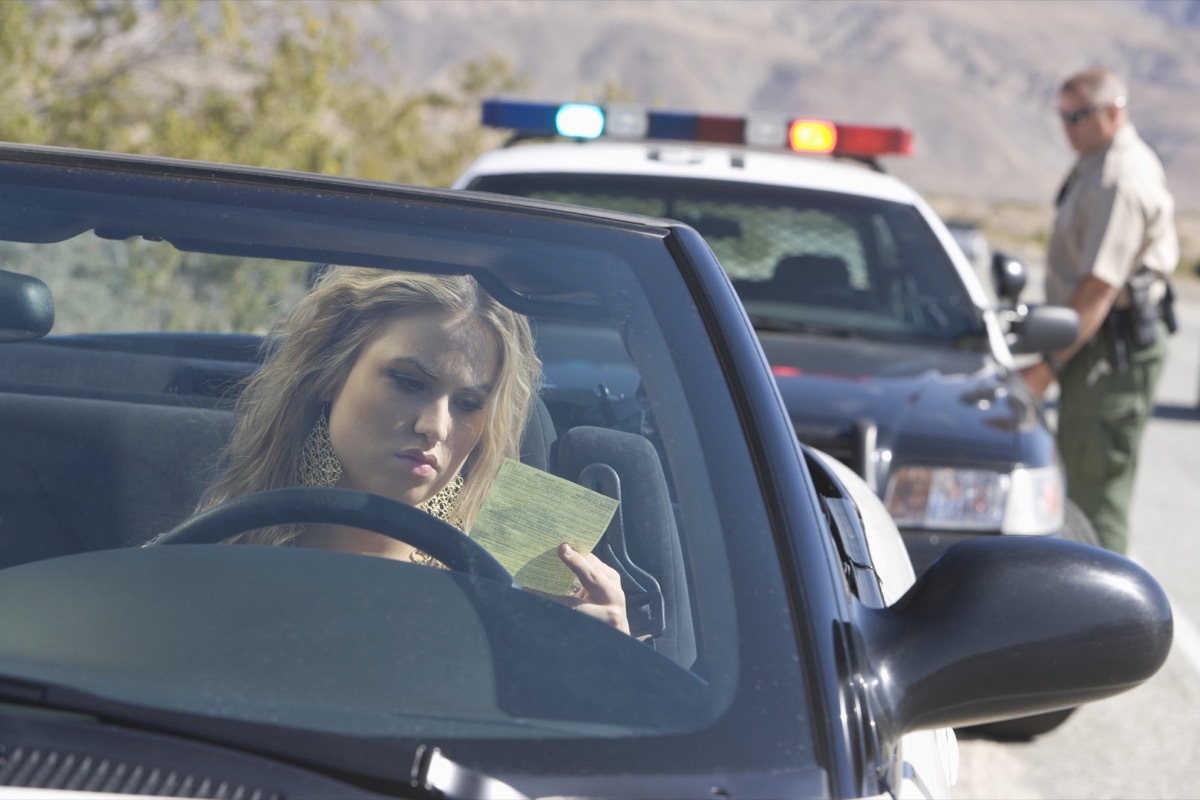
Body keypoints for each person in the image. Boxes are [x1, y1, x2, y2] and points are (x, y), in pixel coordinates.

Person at [197, 266, 630, 633]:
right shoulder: (210, 550)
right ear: (330, 373)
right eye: (409, 382)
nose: (435, 427)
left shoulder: (513, 593)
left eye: (467, 404)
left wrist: (601, 660)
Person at [1020, 66, 1179, 554]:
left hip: (1109, 346)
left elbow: (1098, 289)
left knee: (1095, 498)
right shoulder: (1095, 162)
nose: (1068, 128)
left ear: (1113, 111)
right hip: (1091, 341)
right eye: (1063, 116)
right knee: (1075, 481)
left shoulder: (1119, 178)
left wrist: (1047, 367)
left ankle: (1105, 600)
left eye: (1079, 116)